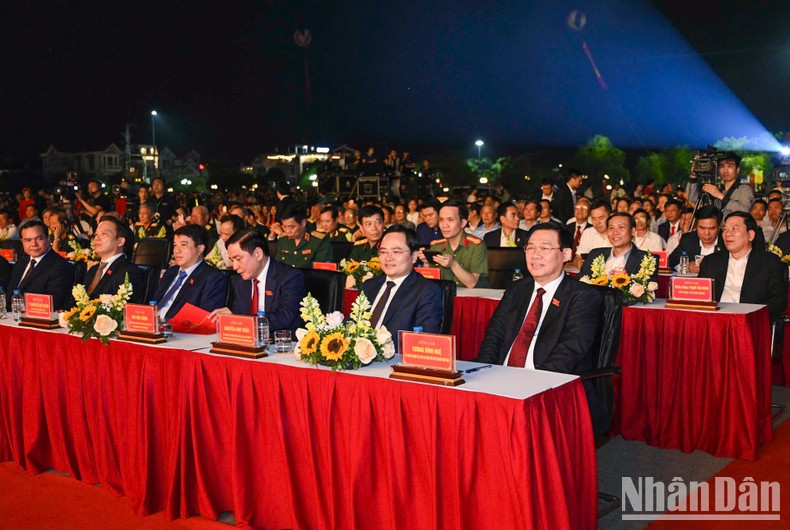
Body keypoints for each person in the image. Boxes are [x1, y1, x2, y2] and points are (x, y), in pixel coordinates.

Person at [473, 223, 604, 428]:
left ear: (566, 254)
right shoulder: (517, 289)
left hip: (546, 384)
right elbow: (494, 335)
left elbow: (571, 350)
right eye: (530, 248)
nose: (535, 255)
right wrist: (484, 374)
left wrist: (532, 385)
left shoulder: (583, 296)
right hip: (501, 378)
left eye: (544, 248)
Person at [210, 229, 305, 333]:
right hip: (247, 341)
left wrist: (241, 320)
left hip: (280, 343)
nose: (235, 266)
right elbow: (238, 311)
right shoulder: (238, 280)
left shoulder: (289, 277)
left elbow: (284, 317)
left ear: (258, 254)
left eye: (238, 259)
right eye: (232, 260)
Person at [698, 212, 787, 322]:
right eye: (725, 229)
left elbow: (778, 300)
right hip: (714, 321)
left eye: (734, 229)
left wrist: (752, 315)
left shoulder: (768, 262)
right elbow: (700, 297)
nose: (727, 234)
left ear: (750, 235)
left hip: (749, 322)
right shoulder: (710, 261)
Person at [360, 226, 442, 336]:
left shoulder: (426, 291)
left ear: (413, 256)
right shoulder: (369, 286)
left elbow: (424, 339)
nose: (388, 258)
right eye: (383, 252)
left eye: (396, 252)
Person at [153, 225, 227, 321]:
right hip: (151, 325)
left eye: (183, 245)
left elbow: (205, 316)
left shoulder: (212, 278)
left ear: (200, 249)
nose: (177, 250)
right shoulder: (171, 272)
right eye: (175, 245)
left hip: (179, 331)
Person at [8, 220, 73, 310]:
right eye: (28, 240)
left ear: (48, 238)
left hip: (36, 319)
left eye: (39, 238)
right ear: (22, 242)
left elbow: (53, 302)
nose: (34, 244)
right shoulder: (20, 264)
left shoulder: (60, 266)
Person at [423, 200, 489, 288]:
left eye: (450, 220)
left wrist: (453, 264)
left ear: (463, 223)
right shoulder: (436, 246)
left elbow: (471, 283)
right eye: (441, 220)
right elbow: (429, 282)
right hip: (446, 296)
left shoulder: (477, 246)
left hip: (473, 297)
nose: (444, 225)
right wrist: (426, 263)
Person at [579, 213, 658, 281]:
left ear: (633, 231)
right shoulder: (595, 254)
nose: (615, 232)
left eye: (621, 227)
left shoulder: (646, 259)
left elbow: (646, 293)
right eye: (611, 228)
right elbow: (580, 283)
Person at [84, 217, 145, 303]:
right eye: (96, 234)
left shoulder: (129, 271)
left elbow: (126, 308)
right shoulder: (93, 270)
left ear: (120, 241)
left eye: (103, 233)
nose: (96, 238)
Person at [687, 151, 755, 217]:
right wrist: (693, 176)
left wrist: (720, 196)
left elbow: (745, 211)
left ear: (737, 170)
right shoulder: (718, 189)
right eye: (722, 166)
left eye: (730, 166)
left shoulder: (744, 189)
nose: (725, 171)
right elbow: (691, 198)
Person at [271, 203, 332, 268]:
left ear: (303, 223)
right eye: (284, 226)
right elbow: (278, 267)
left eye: (291, 227)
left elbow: (322, 271)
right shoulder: (283, 239)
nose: (287, 231)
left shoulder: (319, 241)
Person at [668, 206, 723, 271]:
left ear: (719, 227)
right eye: (702, 228)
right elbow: (671, 262)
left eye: (711, 228)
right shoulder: (688, 239)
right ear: (696, 226)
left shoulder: (726, 241)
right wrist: (686, 267)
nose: (706, 233)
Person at [573, 199, 612, 267]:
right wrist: (579, 263)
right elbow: (578, 257)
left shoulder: (618, 234)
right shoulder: (588, 233)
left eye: (601, 218)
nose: (597, 222)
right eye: (593, 219)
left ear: (611, 216)